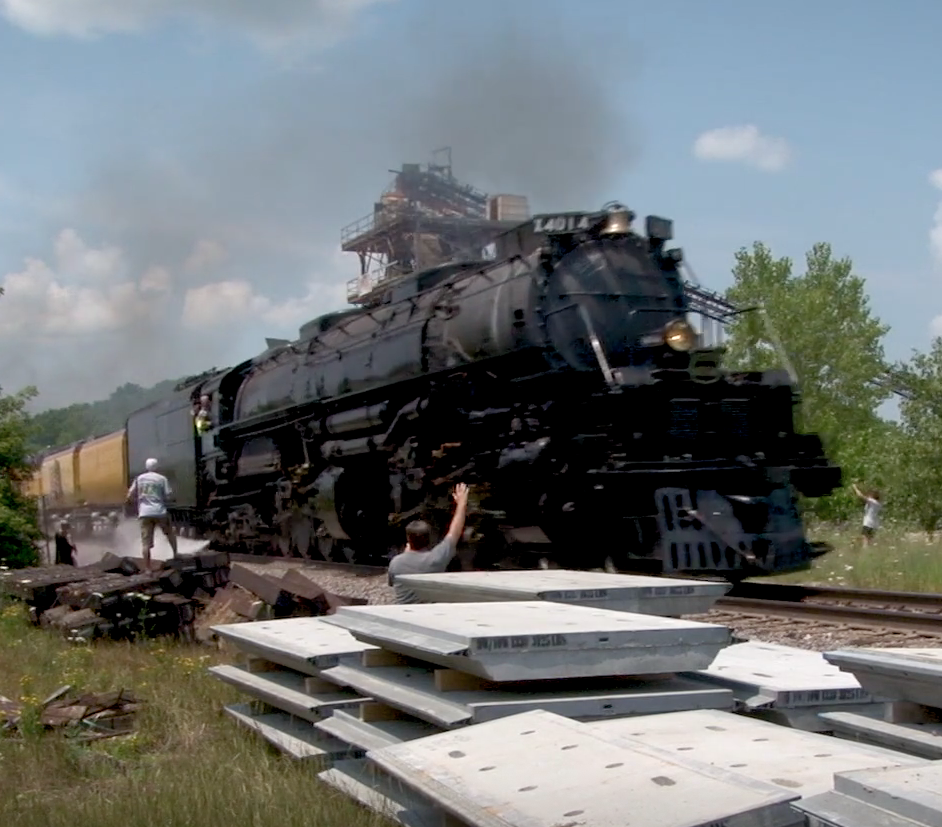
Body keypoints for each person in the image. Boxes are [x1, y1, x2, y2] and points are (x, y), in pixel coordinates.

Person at [387, 483, 470, 604]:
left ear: (408, 540)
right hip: (429, 612)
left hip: (403, 613)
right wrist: (462, 504)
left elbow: (392, 583)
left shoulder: (396, 562)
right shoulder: (436, 558)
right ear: (429, 538)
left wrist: (405, 555)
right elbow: (454, 532)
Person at [126, 458, 178, 570]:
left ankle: (148, 569)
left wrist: (137, 501)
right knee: (170, 534)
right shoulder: (161, 479)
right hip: (160, 512)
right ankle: (176, 555)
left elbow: (129, 495)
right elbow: (169, 495)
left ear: (146, 467)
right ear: (157, 467)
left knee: (145, 543)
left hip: (144, 513)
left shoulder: (139, 479)